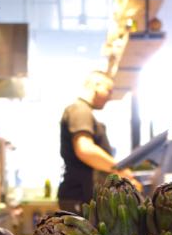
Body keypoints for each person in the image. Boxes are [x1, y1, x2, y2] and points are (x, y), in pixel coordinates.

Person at [57, 70, 136, 213]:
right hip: (79, 196)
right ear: (96, 85)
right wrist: (120, 169)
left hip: (82, 196)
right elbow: (85, 150)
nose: (110, 97)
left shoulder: (84, 111)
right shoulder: (80, 110)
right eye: (109, 90)